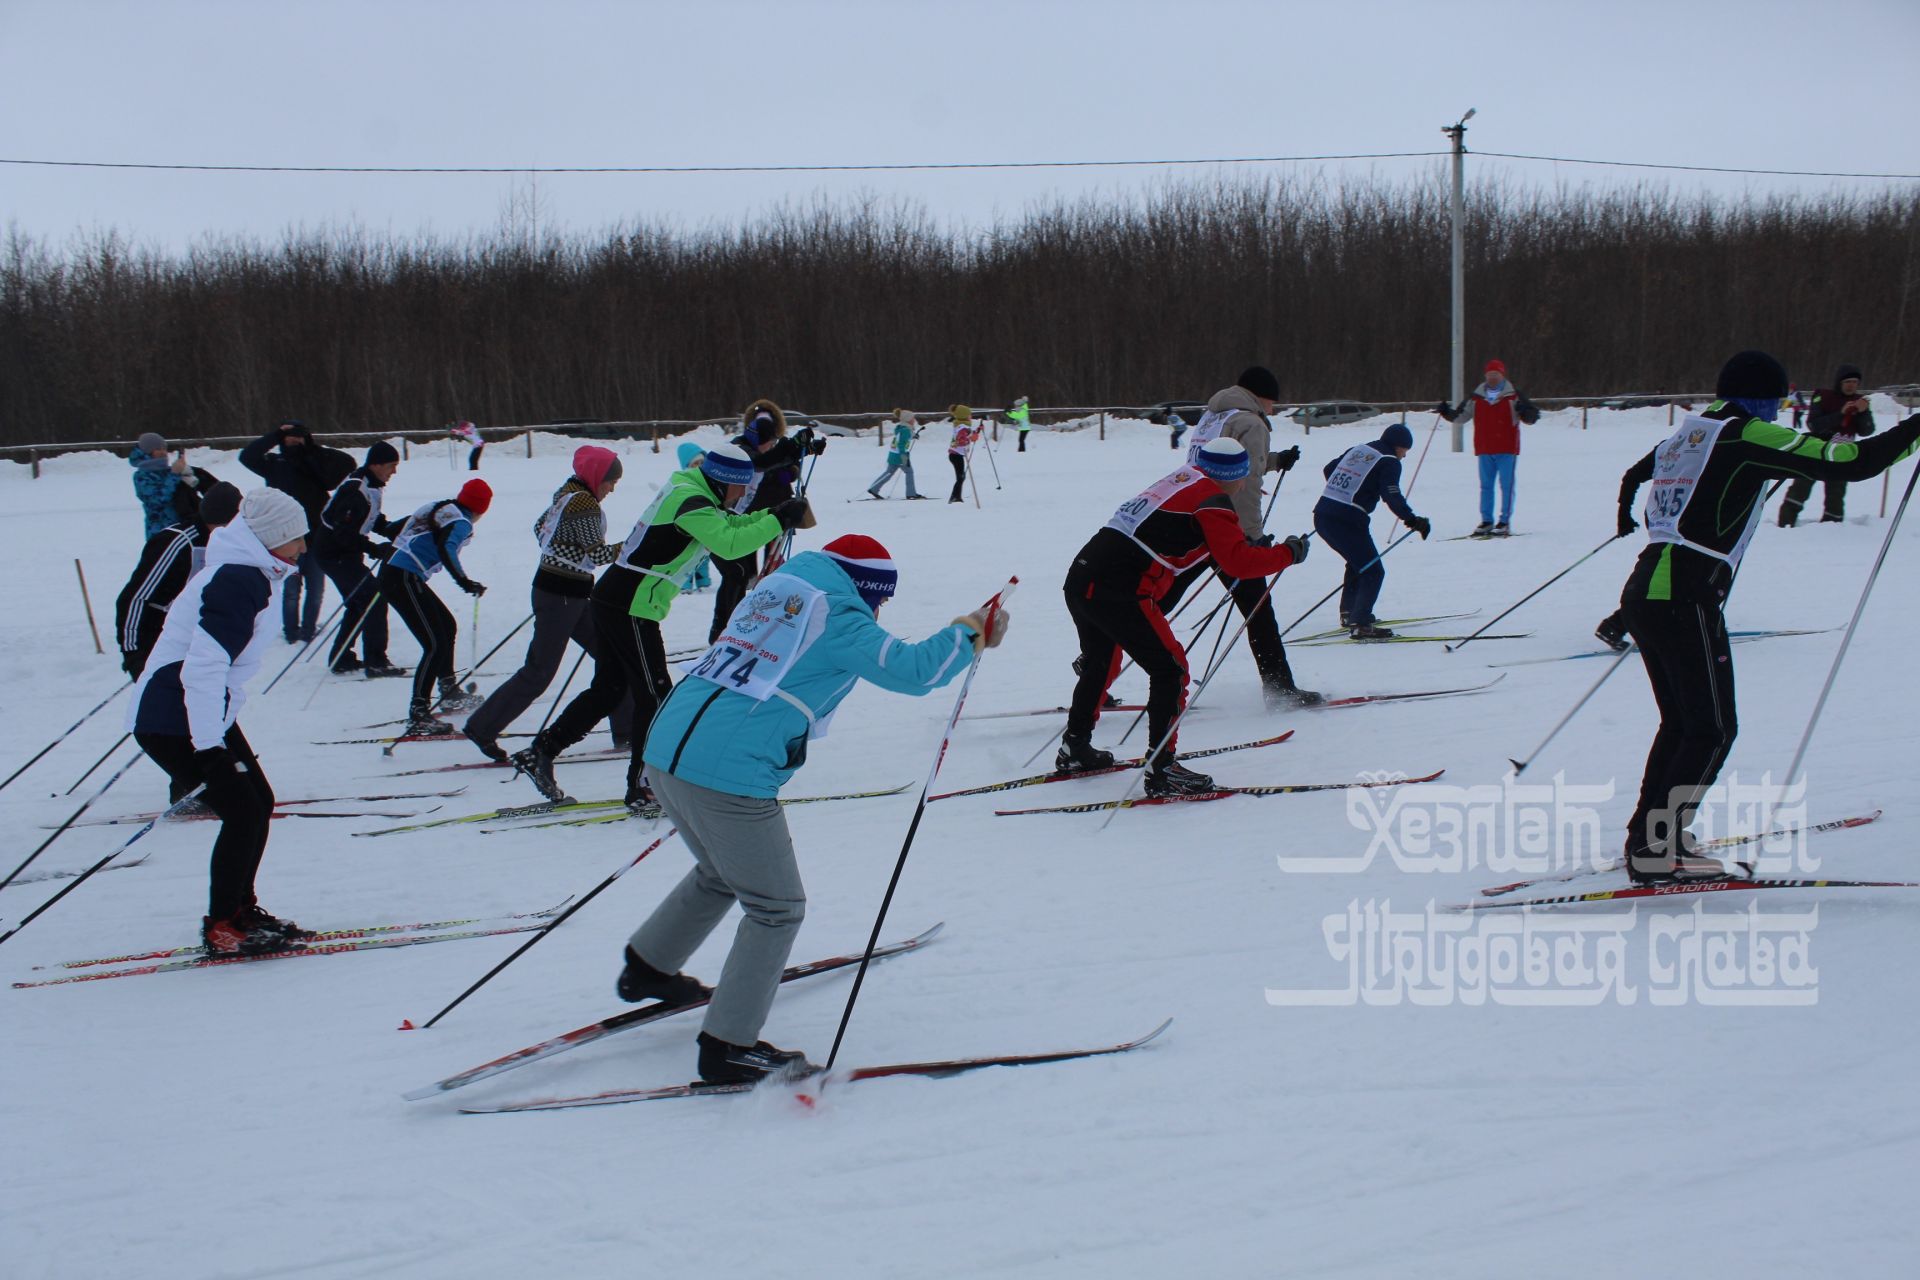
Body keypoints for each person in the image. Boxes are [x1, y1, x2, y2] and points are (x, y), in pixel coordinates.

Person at [617, 534, 1011, 1083]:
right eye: (880, 600)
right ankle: (727, 1046)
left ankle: (648, 967)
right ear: (867, 589)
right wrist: (970, 632)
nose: (878, 612)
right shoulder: (838, 614)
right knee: (776, 906)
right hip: (728, 772)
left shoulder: (776, 590)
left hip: (666, 751)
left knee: (719, 872)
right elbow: (913, 670)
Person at [1611, 350, 1920, 883]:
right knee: (1712, 729)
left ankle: (1652, 838)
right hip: (1685, 593)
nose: (1778, 412)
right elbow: (1851, 463)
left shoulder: (1693, 432)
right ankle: (1658, 849)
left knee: (1685, 724)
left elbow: (1638, 470)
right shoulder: (1744, 434)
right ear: (1759, 397)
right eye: (1775, 401)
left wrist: (1625, 507)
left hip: (1647, 589)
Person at [511, 443, 814, 809]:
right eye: (739, 488)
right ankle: (642, 787)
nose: (740, 496)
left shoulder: (695, 492)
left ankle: (540, 751)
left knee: (609, 689)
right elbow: (731, 544)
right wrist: (778, 521)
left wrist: (773, 513)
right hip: (630, 605)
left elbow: (731, 524)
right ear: (723, 482)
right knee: (654, 696)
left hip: (619, 599)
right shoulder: (692, 503)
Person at [1061, 439, 1307, 797]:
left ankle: (1075, 749)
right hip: (1121, 590)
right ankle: (1163, 770)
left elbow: (1194, 545)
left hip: (1083, 577)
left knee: (1101, 662)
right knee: (1171, 669)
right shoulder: (1214, 501)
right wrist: (1287, 554)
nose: (1244, 484)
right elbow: (1237, 564)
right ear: (1233, 476)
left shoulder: (1183, 478)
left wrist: (1246, 546)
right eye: (1244, 476)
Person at [129, 488, 315, 955]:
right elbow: (205, 667)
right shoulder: (237, 579)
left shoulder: (253, 571)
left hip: (196, 709)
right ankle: (224, 926)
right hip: (174, 715)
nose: (304, 548)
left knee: (258, 801)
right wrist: (209, 746)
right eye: (296, 538)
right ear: (270, 538)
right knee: (243, 809)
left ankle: (240, 911)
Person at [463, 447, 636, 762]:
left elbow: (539, 529)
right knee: (540, 671)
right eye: (611, 482)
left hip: (568, 593)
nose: (612, 489)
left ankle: (628, 728)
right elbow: (597, 555)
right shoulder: (583, 503)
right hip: (563, 596)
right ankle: (482, 727)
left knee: (613, 657)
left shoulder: (568, 493)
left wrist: (563, 554)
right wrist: (635, 545)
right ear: (597, 477)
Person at [1167, 366, 1316, 705]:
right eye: (1272, 402)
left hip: (1192, 516)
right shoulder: (1251, 421)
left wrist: (1274, 460)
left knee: (1159, 600)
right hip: (1227, 526)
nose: (1273, 409)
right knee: (1258, 611)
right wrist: (1252, 536)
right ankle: (1280, 690)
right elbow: (1246, 485)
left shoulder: (1214, 415)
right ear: (1260, 395)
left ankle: (1102, 662)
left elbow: (1228, 463)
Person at [377, 478, 492, 736]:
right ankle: (418, 713)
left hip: (399, 574)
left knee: (447, 626)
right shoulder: (461, 522)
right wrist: (464, 581)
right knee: (434, 644)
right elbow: (446, 547)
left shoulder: (440, 507)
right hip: (402, 577)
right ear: (481, 509)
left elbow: (398, 527)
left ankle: (449, 690)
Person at [708, 401, 824, 641]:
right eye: (768, 442)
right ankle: (722, 633)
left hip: (742, 518)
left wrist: (806, 448)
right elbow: (763, 462)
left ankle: (730, 630)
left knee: (742, 574)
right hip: (717, 520)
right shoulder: (740, 449)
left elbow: (780, 460)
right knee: (738, 573)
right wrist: (791, 447)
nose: (771, 446)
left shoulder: (759, 446)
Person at [239, 419, 355, 643]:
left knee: (315, 589)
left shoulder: (316, 464)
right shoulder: (274, 463)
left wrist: (310, 448)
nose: (292, 440)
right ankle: (291, 631)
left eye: (298, 435)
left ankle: (309, 629)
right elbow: (247, 457)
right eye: (288, 437)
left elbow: (346, 462)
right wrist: (275, 435)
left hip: (315, 537)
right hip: (284, 539)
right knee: (291, 590)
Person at [1312, 422, 1432, 639]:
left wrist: (1347, 490)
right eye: (1405, 450)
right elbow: (1391, 495)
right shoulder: (1390, 462)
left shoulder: (1360, 450)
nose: (1404, 456)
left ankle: (1350, 614)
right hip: (1348, 520)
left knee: (1358, 563)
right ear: (1398, 446)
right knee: (1373, 570)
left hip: (1322, 515)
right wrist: (1412, 519)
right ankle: (1361, 623)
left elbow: (1329, 469)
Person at [114, 482, 244, 679]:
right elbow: (134, 598)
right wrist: (133, 653)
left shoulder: (226, 544)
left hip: (194, 645)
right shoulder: (178, 542)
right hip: (156, 641)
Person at [313, 442, 406, 677]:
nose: (393, 472)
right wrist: (375, 549)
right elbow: (343, 532)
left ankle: (341, 657)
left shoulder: (371, 485)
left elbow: (369, 517)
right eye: (391, 466)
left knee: (359, 602)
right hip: (334, 554)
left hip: (345, 552)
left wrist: (391, 529)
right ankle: (376, 661)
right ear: (375, 465)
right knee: (374, 597)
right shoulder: (355, 491)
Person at [1438, 358, 1538, 537]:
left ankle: (1504, 521)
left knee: (1506, 485)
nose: (1493, 378)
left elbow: (1532, 416)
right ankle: (1486, 521)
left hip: (1507, 448)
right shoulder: (1476, 397)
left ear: (1502, 375)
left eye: (1496, 374)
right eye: (1490, 374)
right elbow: (1461, 416)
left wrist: (1525, 412)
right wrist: (1446, 412)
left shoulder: (1513, 395)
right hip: (1484, 448)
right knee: (1486, 486)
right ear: (1486, 376)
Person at [1779, 364, 1877, 526]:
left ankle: (1833, 526)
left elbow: (1867, 431)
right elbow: (1814, 424)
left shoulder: (1860, 403)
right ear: (1839, 382)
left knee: (1836, 494)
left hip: (1841, 454)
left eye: (1854, 382)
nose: (1851, 385)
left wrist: (1863, 413)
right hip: (1815, 450)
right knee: (1800, 488)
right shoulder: (1823, 397)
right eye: (1847, 382)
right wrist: (1841, 414)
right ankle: (1785, 523)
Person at [128, 433, 218, 539]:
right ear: (147, 452)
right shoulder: (141, 476)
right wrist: (174, 475)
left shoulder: (167, 471)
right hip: (159, 532)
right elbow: (157, 500)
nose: (163, 452)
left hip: (180, 528)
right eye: (158, 449)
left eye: (164, 448)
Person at [675, 442, 716, 588]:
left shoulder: (708, 480)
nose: (699, 466)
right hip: (688, 526)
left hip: (705, 525)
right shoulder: (685, 483)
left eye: (702, 463)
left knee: (704, 556)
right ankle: (685, 584)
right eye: (695, 463)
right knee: (688, 557)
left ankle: (703, 582)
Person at [867, 409, 925, 499]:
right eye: (912, 418)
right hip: (900, 456)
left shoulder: (901, 428)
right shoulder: (906, 430)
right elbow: (901, 444)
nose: (914, 420)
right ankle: (911, 494)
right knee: (909, 472)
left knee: (889, 473)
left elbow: (903, 436)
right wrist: (905, 457)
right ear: (907, 420)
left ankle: (874, 488)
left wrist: (914, 435)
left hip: (893, 455)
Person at [947, 405, 977, 503]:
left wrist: (977, 432)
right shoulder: (962, 428)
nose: (970, 416)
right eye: (969, 414)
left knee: (961, 477)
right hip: (956, 455)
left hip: (956, 454)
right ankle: (954, 496)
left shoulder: (961, 426)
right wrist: (969, 439)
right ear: (964, 416)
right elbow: (961, 440)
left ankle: (957, 496)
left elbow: (970, 434)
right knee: (961, 477)